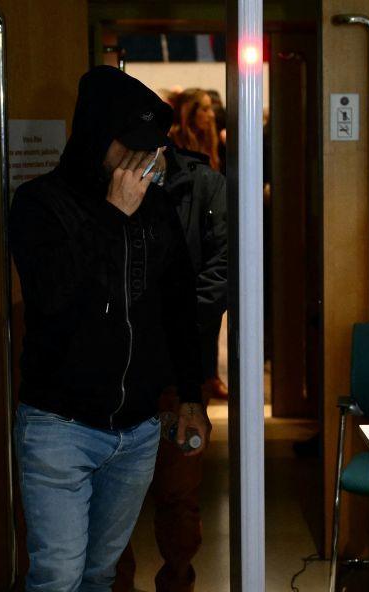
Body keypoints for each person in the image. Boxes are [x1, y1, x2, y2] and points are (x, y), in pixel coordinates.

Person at [8, 65, 210, 592]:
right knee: (56, 577)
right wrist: (113, 216)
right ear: (98, 138)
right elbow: (53, 298)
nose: (146, 164)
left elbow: (179, 304)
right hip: (58, 426)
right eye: (135, 150)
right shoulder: (40, 204)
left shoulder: (155, 209)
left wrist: (191, 394)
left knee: (98, 572)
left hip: (137, 429)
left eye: (153, 152)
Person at [106, 144, 227, 592]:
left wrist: (165, 323)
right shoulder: (105, 179)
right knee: (112, 488)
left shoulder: (202, 185)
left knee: (178, 486)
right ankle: (116, 586)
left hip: (180, 364)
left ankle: (178, 589)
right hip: (116, 366)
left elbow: (221, 270)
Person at [169, 87, 228, 401]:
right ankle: (202, 378)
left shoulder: (215, 141)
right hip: (192, 231)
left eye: (211, 108)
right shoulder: (178, 143)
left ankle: (209, 376)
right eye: (203, 109)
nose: (210, 114)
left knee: (211, 311)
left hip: (211, 222)